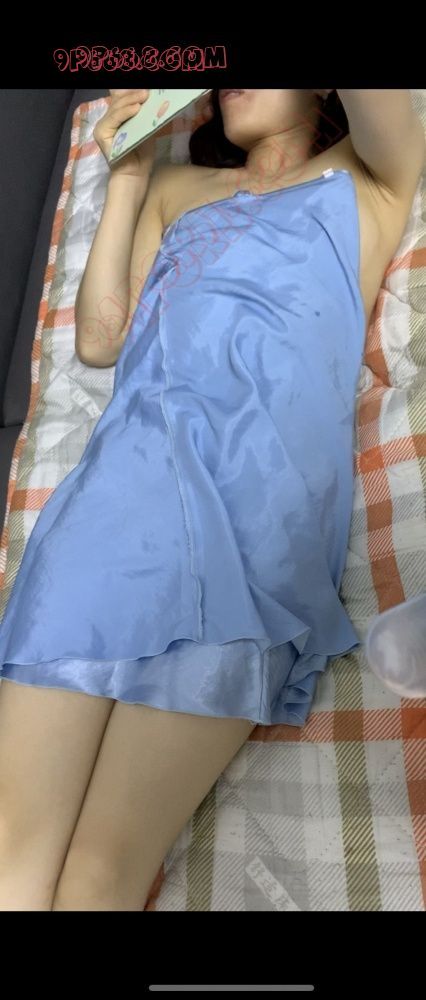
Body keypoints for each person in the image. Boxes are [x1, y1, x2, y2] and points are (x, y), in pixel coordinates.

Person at [0, 89, 424, 912]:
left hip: (258, 540)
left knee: (101, 877)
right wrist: (129, 174)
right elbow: (100, 339)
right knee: (13, 855)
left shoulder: (369, 178)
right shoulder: (175, 188)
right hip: (109, 517)